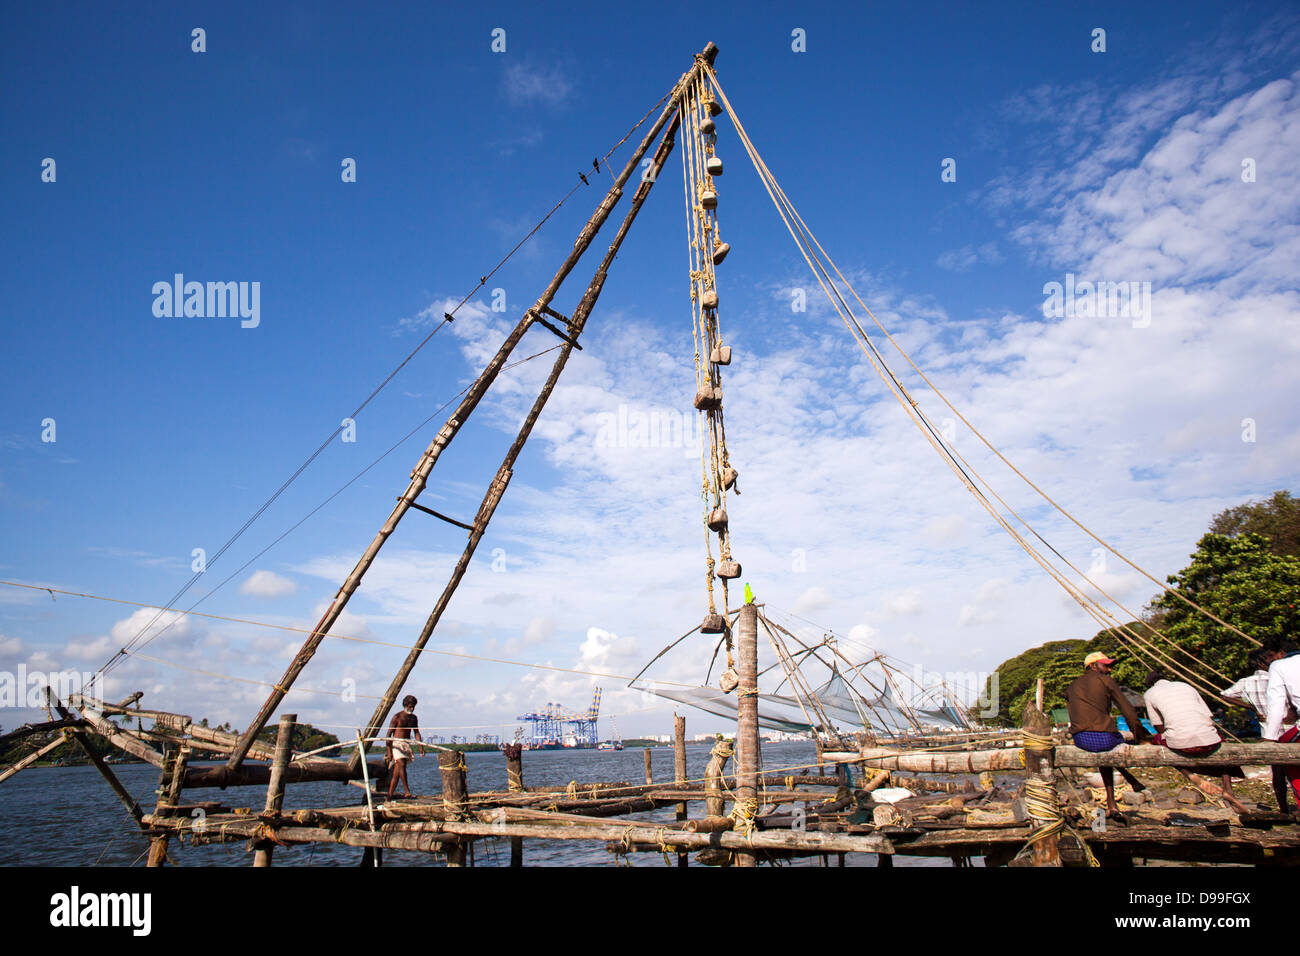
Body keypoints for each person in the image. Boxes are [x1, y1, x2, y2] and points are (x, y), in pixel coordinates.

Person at [1144, 670, 1248, 814]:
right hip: (1210, 742)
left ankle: (1189, 775)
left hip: (1182, 745)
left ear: (1149, 685)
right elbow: (1208, 716)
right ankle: (1228, 789)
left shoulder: (1149, 694)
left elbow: (1158, 726)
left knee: (1159, 742)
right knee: (1223, 747)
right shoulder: (1186, 686)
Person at [1066, 652, 1152, 822]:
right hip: (1104, 737)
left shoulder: (1072, 686)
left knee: (1103, 754)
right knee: (1110, 744)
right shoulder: (1106, 681)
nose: (1110, 669)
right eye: (1105, 665)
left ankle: (1112, 801)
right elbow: (1128, 711)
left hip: (1081, 739)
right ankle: (1123, 786)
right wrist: (1141, 736)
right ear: (1093, 666)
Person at [1223, 645, 1296, 811]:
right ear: (1263, 663)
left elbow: (1225, 694)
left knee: (1277, 773)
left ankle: (1284, 808)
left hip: (1269, 734)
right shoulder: (1280, 675)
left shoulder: (1246, 683)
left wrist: (1252, 708)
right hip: (1291, 730)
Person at [1262, 642, 1300, 812]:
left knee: (1285, 752)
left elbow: (1276, 705)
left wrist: (1269, 738)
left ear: (1281, 653)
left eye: (1270, 656)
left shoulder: (1280, 666)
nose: (1269, 661)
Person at [384, 695, 424, 802]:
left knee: (397, 773)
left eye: (413, 707)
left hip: (406, 744)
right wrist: (389, 752)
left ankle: (389, 797)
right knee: (401, 764)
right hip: (396, 744)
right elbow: (388, 735)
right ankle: (407, 792)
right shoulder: (397, 717)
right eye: (410, 706)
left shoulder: (413, 718)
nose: (412, 709)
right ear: (405, 705)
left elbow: (416, 733)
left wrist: (421, 747)